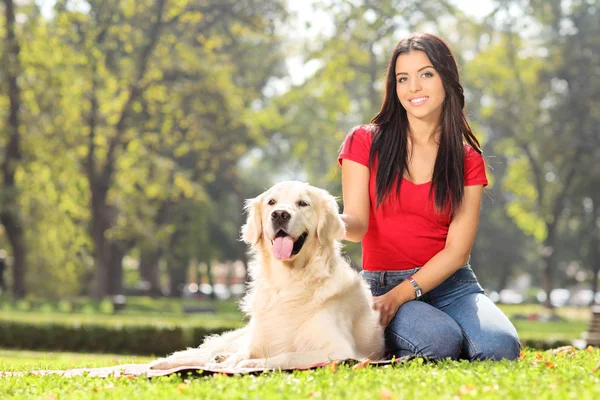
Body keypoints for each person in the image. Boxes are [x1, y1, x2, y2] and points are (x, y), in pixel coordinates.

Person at [337, 32, 520, 361]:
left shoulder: (467, 159)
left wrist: (404, 295)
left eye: (426, 75)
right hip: (383, 283)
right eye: (402, 79)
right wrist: (321, 220)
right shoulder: (365, 141)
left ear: (446, 79)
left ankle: (421, 334)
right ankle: (405, 337)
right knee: (441, 342)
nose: (413, 88)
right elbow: (357, 225)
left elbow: (457, 253)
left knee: (500, 347)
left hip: (452, 285)